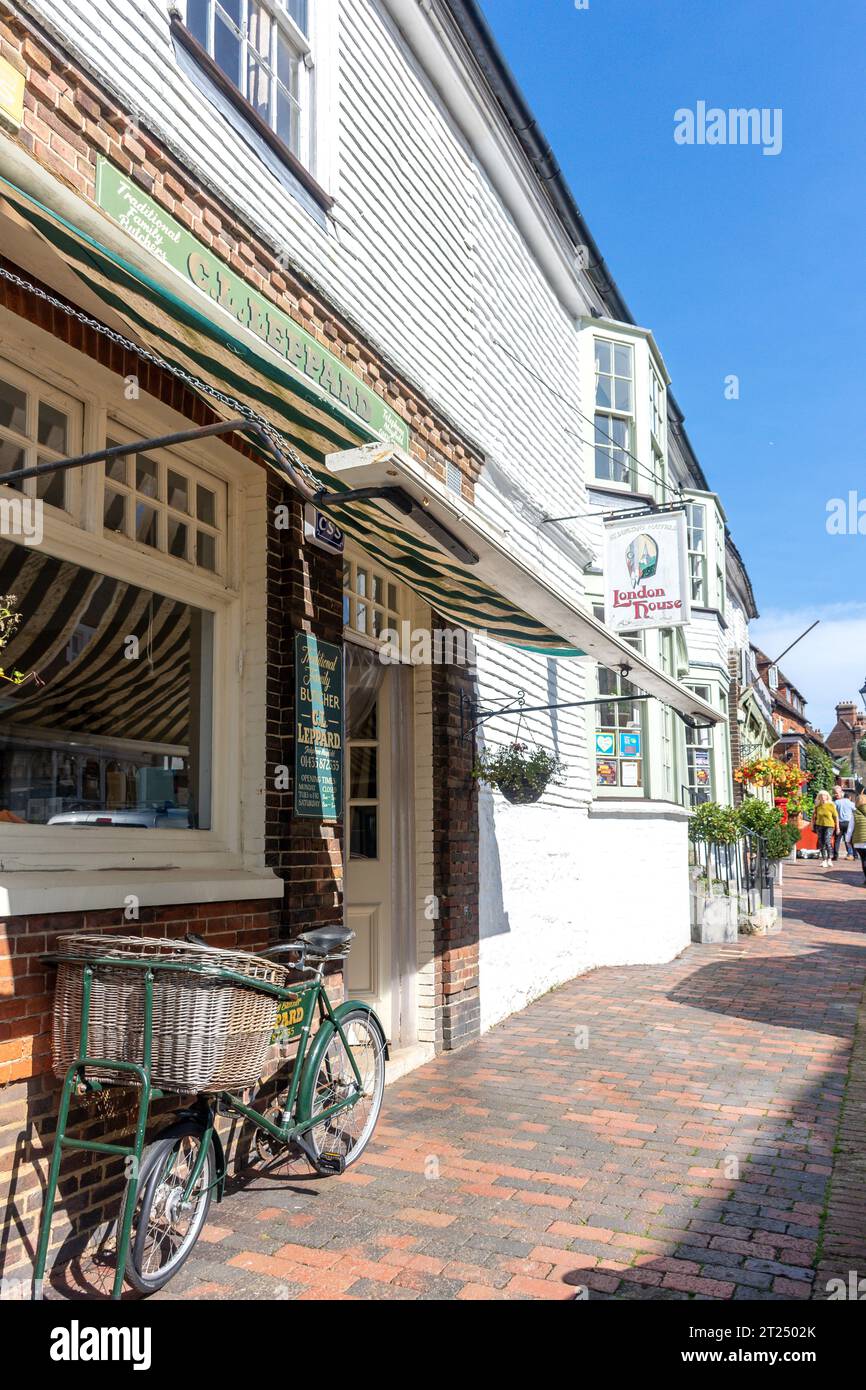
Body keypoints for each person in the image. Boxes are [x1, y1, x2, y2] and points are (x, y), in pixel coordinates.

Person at [812, 790, 839, 867]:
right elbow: (814, 816)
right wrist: (813, 824)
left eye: (824, 796)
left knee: (827, 841)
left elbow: (836, 817)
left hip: (829, 825)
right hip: (819, 825)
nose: (823, 797)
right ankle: (824, 860)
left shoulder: (831, 805)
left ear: (827, 797)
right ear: (819, 797)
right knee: (821, 842)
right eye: (821, 796)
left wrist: (837, 827)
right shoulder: (817, 806)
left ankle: (829, 859)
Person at [833, 789, 857, 860]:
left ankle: (835, 855)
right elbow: (856, 810)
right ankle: (854, 854)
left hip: (839, 823)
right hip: (848, 823)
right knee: (850, 839)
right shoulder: (851, 803)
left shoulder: (837, 802)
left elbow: (833, 812)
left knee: (837, 840)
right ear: (849, 797)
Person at [852, 794, 866, 886]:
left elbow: (850, 829)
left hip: (859, 842)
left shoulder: (855, 813)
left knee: (864, 860)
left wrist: (848, 841)